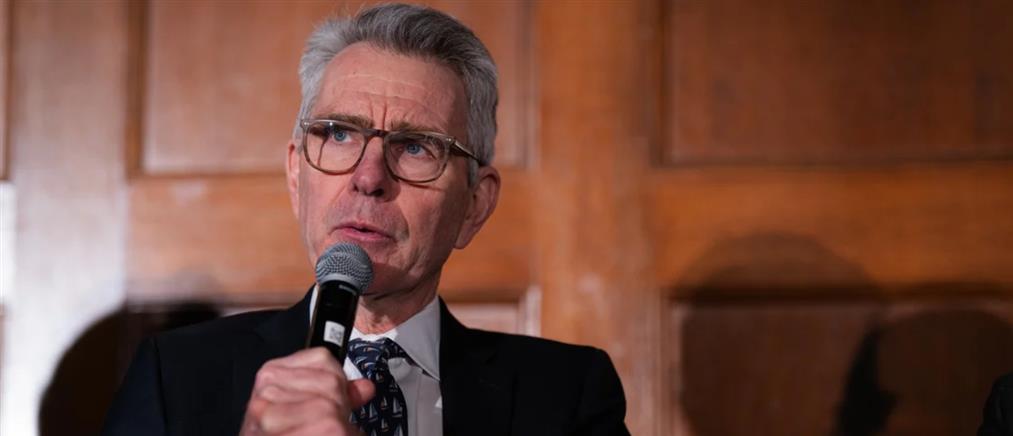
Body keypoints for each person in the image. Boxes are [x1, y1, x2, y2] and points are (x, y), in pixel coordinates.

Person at [102, 4, 629, 436]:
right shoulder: (177, 377)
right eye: (339, 134)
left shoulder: (566, 394)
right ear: (296, 174)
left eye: (416, 146)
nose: (368, 177)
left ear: (475, 204)